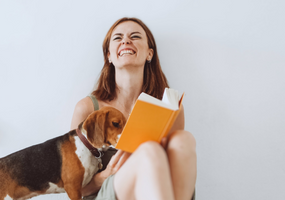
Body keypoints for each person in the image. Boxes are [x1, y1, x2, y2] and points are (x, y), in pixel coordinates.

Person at [70, 17, 197, 200]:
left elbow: (177, 172)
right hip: (107, 192)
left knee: (184, 139)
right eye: (118, 38)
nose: (126, 41)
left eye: (135, 36)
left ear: (149, 54)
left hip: (162, 192)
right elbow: (72, 189)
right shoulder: (87, 109)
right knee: (149, 150)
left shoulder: (170, 108)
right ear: (109, 56)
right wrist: (106, 175)